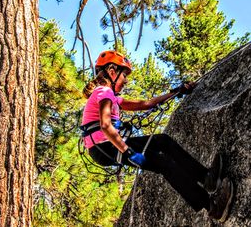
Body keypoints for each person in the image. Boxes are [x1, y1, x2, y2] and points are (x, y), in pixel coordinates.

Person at [80, 50, 234, 223]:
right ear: (112, 72)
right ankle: (212, 206)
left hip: (105, 146)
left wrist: (176, 92)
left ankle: (206, 178)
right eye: (124, 75)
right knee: (164, 163)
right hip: (105, 147)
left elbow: (147, 104)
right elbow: (105, 125)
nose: (126, 80)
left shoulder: (112, 97)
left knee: (163, 142)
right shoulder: (104, 92)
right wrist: (128, 152)